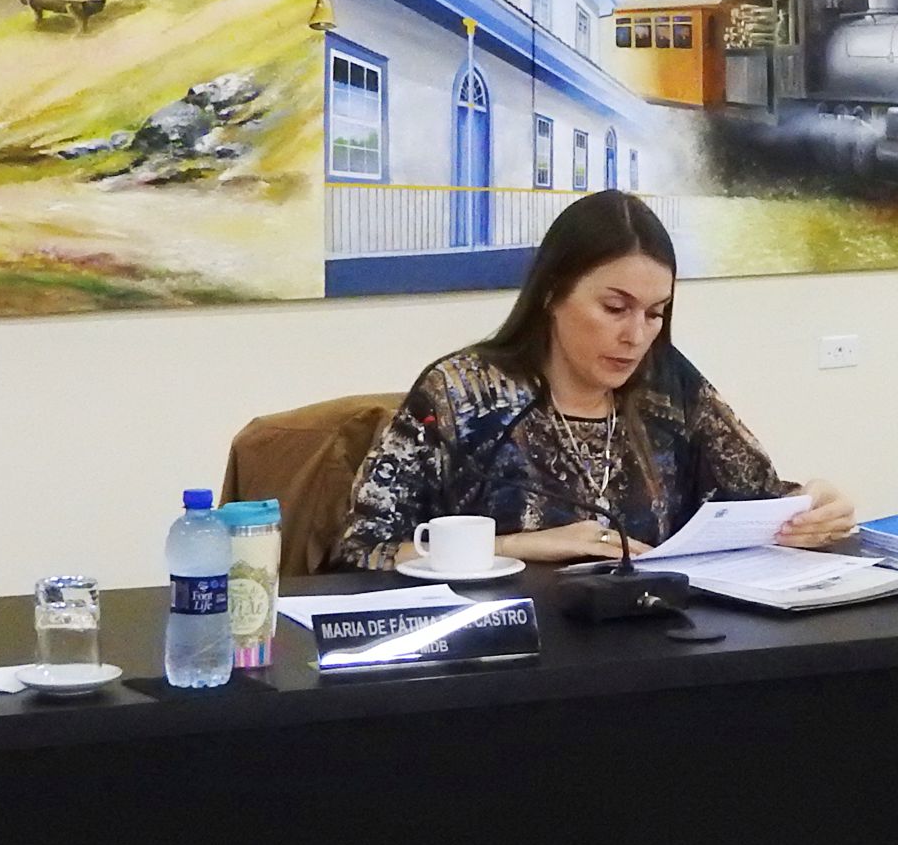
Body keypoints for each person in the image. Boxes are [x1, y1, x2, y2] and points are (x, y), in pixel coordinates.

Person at [335, 190, 856, 569]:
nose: (636, 335)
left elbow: (755, 500)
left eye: (655, 313)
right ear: (552, 293)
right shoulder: (464, 393)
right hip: (504, 657)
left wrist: (812, 507)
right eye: (614, 308)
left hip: (650, 651)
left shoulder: (667, 386)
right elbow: (364, 550)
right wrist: (513, 548)